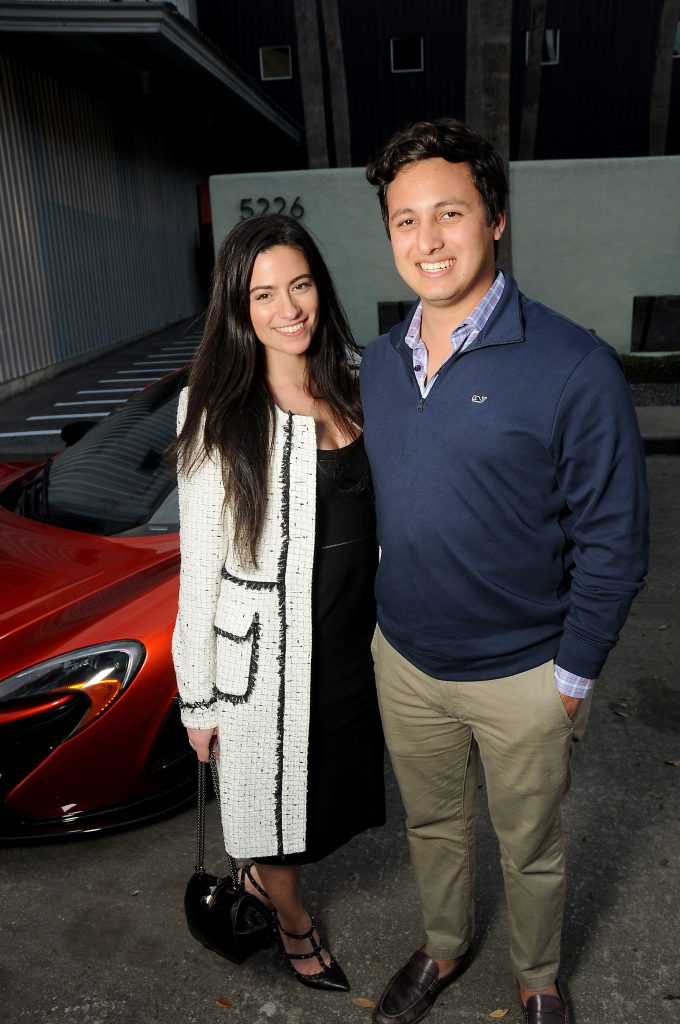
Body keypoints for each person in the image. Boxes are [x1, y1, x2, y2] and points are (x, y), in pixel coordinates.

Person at [360, 118, 649, 1024]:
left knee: (531, 847)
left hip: (524, 674)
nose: (427, 239)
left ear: (497, 221)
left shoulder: (573, 365)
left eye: (450, 212)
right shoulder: (376, 364)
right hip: (405, 662)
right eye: (405, 220)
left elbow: (615, 539)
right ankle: (444, 951)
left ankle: (537, 982)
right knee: (433, 828)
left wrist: (569, 677)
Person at [172, 213, 385, 993]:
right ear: (238, 306)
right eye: (263, 293)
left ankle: (272, 883)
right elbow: (198, 569)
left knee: (324, 801)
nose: (287, 307)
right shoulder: (217, 409)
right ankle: (292, 924)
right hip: (262, 663)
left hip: (350, 647)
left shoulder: (354, 380)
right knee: (273, 824)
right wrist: (197, 699)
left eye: (300, 285)